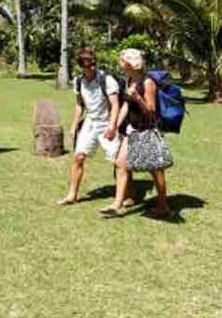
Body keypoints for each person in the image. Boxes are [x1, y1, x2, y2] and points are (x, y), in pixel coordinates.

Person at [101, 48, 173, 217]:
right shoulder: (129, 79)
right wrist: (114, 126)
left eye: (122, 60)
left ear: (130, 64)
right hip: (132, 130)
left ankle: (163, 206)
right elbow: (126, 105)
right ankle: (117, 204)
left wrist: (138, 98)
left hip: (147, 130)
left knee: (155, 169)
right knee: (120, 164)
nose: (120, 63)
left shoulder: (147, 83)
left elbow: (151, 110)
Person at [57, 46, 121, 206]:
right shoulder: (78, 81)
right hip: (90, 123)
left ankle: (126, 194)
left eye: (93, 63)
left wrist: (112, 126)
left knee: (118, 161)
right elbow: (80, 105)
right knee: (78, 157)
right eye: (87, 65)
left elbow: (115, 104)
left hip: (107, 123)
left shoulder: (106, 80)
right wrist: (73, 125)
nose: (91, 67)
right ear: (81, 66)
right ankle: (72, 195)